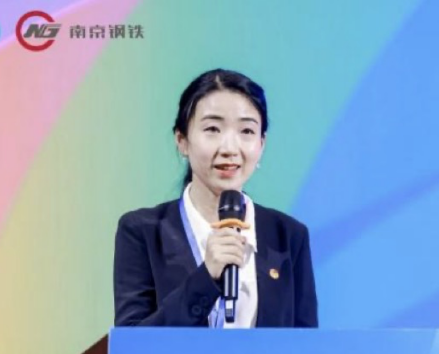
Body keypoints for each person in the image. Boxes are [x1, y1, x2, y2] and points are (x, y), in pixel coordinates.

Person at [113, 68, 318, 328]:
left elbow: (305, 345)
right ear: (182, 140)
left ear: (261, 144)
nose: (229, 148)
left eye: (246, 131)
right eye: (212, 128)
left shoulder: (289, 236)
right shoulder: (142, 232)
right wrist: (206, 277)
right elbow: (132, 344)